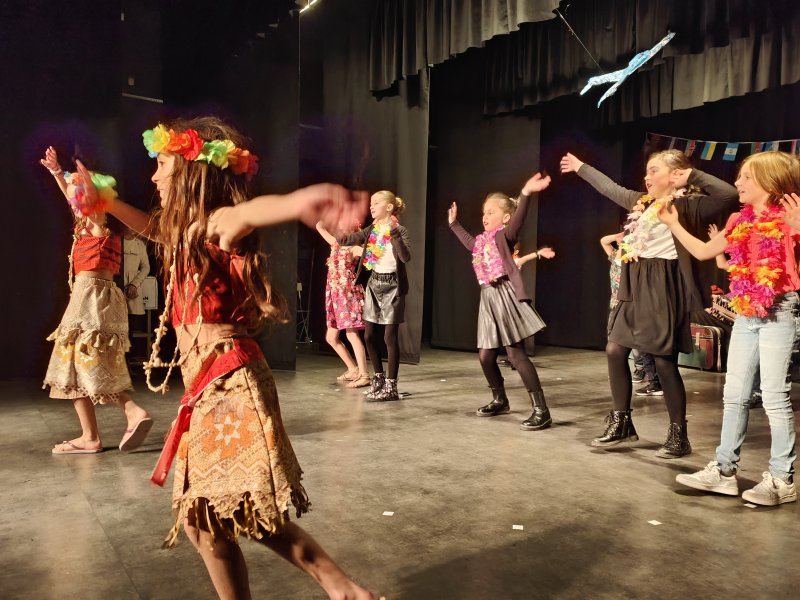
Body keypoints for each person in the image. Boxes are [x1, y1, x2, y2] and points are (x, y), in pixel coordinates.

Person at [83, 117, 374, 599]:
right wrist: (107, 203)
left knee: (234, 511)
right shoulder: (184, 232)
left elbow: (252, 212)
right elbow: (154, 230)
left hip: (230, 380)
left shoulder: (216, 221)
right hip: (208, 386)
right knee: (203, 523)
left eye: (162, 165)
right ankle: (342, 589)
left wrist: (303, 200)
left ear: (192, 173)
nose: (154, 176)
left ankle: (341, 586)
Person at [560, 149, 738, 457]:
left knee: (663, 361)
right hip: (634, 282)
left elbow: (728, 195)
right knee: (615, 349)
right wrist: (580, 167)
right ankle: (622, 423)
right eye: (646, 171)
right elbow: (610, 188)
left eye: (654, 170)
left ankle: (678, 435)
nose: (647, 176)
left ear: (674, 175)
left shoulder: (689, 205)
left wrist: (691, 175)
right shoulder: (641, 203)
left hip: (662, 284)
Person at [660, 151, 800, 506]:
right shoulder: (739, 219)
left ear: (770, 181)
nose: (738, 182)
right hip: (747, 314)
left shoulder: (791, 218)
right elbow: (705, 251)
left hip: (780, 310)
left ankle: (782, 479)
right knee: (734, 394)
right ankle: (724, 473)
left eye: (747, 177)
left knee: (773, 396)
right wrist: (674, 224)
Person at [40, 146, 153, 454]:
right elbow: (71, 198)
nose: (76, 205)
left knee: (86, 361)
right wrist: (57, 172)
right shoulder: (87, 224)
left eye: (82, 198)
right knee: (73, 364)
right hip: (94, 297)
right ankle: (90, 435)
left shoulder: (98, 223)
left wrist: (87, 188)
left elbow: (91, 209)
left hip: (92, 298)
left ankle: (130, 410)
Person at [448, 172, 553, 430]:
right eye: (484, 212)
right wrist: (454, 224)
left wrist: (526, 193)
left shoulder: (504, 236)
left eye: (491, 212)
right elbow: (471, 244)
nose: (485, 217)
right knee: (485, 356)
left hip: (505, 295)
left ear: (506, 218)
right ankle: (500, 399)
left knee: (515, 354)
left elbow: (519, 219)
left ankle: (541, 410)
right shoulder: (482, 241)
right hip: (487, 298)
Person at [337, 191, 411, 402]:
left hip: (393, 287)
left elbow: (405, 257)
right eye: (371, 203)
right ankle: (378, 380)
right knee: (369, 336)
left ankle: (391, 386)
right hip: (374, 284)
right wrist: (335, 223)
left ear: (389, 207)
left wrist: (394, 234)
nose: (371, 206)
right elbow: (346, 240)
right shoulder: (372, 230)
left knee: (389, 337)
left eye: (376, 203)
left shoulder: (400, 230)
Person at [316, 221, 370, 388]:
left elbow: (372, 256)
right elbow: (319, 227)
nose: (340, 226)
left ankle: (364, 375)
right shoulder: (335, 243)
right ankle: (353, 369)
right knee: (331, 338)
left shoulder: (354, 248)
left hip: (348, 295)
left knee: (351, 334)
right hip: (335, 296)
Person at [121, 227, 151, 358]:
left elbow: (146, 267)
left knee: (130, 328)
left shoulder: (139, 244)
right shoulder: (116, 241)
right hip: (116, 286)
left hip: (132, 289)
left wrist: (134, 284)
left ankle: (127, 362)